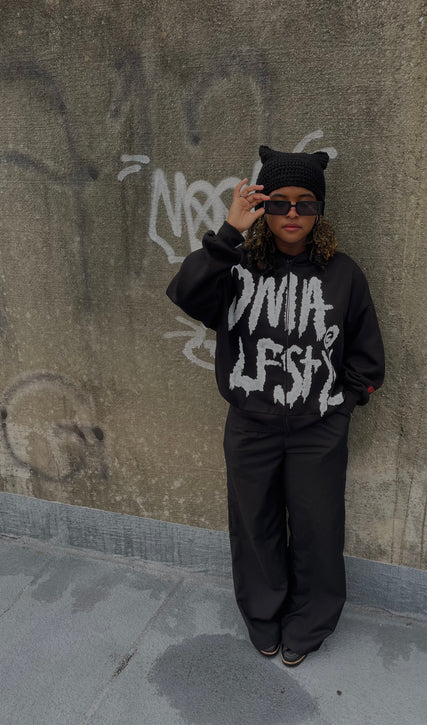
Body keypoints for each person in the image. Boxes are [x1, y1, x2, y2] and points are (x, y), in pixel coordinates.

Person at [166, 145, 385, 666]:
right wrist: (229, 232)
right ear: (262, 206)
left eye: (305, 203)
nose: (292, 213)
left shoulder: (344, 274)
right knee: (254, 527)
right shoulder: (236, 266)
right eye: (278, 202)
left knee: (318, 531)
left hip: (318, 430)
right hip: (250, 426)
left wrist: (343, 403)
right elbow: (186, 291)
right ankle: (263, 618)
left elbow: (367, 356)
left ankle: (308, 626)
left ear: (319, 209)